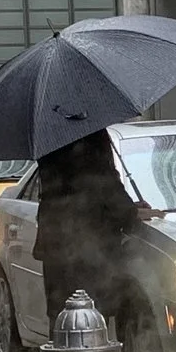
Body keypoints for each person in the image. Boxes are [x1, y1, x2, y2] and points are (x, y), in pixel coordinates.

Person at [34, 128, 144, 321]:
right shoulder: (89, 131)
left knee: (62, 316)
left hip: (55, 241)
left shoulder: (48, 136)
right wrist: (132, 213)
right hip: (90, 246)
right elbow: (103, 186)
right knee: (92, 316)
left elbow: (64, 188)